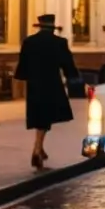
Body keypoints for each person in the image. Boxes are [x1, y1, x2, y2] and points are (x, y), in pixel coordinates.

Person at [13, 14, 80, 170]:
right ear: (52, 27)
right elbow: (68, 64)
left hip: (34, 84)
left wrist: (23, 78)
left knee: (40, 117)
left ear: (40, 26)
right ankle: (37, 149)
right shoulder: (59, 43)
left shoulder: (29, 42)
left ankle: (40, 148)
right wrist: (74, 79)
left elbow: (22, 65)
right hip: (52, 84)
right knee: (46, 116)